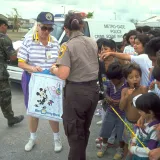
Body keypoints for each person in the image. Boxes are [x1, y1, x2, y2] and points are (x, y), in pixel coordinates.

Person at [50, 12, 99, 160]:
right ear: (82, 26)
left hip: (76, 93)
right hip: (93, 91)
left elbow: (63, 73)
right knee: (84, 129)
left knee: (75, 132)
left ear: (66, 29)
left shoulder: (67, 45)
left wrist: (54, 69)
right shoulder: (93, 41)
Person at [18, 12, 62, 152]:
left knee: (52, 110)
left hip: (50, 80)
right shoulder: (28, 40)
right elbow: (20, 62)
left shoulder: (55, 42)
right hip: (32, 79)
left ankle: (56, 138)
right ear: (37, 26)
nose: (47, 31)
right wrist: (32, 68)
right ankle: (32, 138)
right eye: (44, 28)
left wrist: (56, 66)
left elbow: (59, 61)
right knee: (33, 111)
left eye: (50, 28)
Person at [96, 62, 127, 159]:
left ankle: (120, 149)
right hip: (111, 111)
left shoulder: (126, 85)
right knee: (106, 128)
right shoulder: (110, 83)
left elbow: (127, 99)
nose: (111, 81)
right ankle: (104, 145)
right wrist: (108, 98)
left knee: (121, 132)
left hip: (123, 113)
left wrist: (119, 101)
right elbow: (106, 93)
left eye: (113, 80)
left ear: (121, 77)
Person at [119, 63, 148, 159]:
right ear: (126, 79)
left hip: (140, 124)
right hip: (128, 123)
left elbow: (146, 107)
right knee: (128, 143)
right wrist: (127, 96)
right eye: (131, 77)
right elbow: (121, 107)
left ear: (140, 76)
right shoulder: (124, 90)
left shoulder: (143, 89)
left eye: (137, 76)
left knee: (137, 145)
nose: (135, 79)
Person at [0, 14, 24, 127]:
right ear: (3, 25)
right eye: (6, 26)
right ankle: (10, 118)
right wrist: (19, 51)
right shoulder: (4, 38)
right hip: (1, 75)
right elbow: (13, 57)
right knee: (5, 97)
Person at [129, 92, 160, 160]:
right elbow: (138, 132)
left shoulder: (155, 129)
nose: (138, 112)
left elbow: (150, 150)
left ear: (150, 112)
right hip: (136, 151)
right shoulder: (144, 119)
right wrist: (134, 141)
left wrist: (134, 149)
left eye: (140, 110)